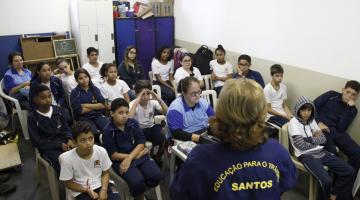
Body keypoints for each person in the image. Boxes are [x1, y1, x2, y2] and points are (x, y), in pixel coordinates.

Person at [170, 79, 297, 199]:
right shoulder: (277, 150)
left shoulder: (201, 157)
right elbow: (285, 184)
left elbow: (180, 193)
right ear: (262, 111)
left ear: (222, 111)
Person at [288, 96, 354, 200]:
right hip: (306, 155)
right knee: (326, 181)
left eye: (309, 110)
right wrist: (314, 138)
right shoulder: (294, 123)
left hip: (320, 151)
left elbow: (323, 139)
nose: (306, 113)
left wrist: (307, 139)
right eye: (303, 110)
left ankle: (334, 194)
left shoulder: (312, 121)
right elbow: (300, 145)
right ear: (298, 110)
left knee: (349, 171)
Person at [102, 98, 162, 200]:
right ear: (112, 113)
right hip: (121, 161)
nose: (125, 115)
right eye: (120, 113)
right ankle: (139, 196)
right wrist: (134, 156)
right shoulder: (107, 131)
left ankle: (139, 192)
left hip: (137, 156)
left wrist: (131, 157)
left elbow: (141, 143)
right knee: (137, 182)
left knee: (156, 175)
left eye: (126, 112)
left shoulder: (133, 123)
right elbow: (113, 155)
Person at [59, 121, 121, 200]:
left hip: (100, 184)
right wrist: (87, 190)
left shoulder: (101, 151)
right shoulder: (66, 158)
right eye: (83, 140)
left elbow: (106, 173)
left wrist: (104, 190)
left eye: (90, 138)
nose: (88, 143)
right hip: (80, 189)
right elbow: (69, 183)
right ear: (75, 142)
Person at [314, 80, 360, 171]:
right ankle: (334, 180)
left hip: (338, 133)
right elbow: (313, 106)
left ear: (356, 96)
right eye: (348, 92)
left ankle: (346, 182)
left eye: (353, 94)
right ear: (343, 90)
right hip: (322, 129)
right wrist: (319, 122)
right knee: (334, 153)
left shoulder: (353, 110)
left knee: (357, 152)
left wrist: (349, 109)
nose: (350, 96)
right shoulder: (331, 95)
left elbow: (341, 127)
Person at [28, 84, 74, 174]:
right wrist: (58, 145)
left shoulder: (58, 110)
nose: (48, 100)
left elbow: (66, 127)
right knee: (63, 162)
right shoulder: (32, 118)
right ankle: (70, 184)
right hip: (48, 148)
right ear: (35, 100)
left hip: (64, 142)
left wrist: (69, 138)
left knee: (81, 154)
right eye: (43, 98)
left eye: (49, 96)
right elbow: (36, 141)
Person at [129, 80, 167, 163]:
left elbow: (166, 112)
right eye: (143, 94)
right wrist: (137, 101)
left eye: (148, 94)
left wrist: (158, 98)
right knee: (140, 145)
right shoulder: (133, 104)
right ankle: (145, 159)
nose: (146, 96)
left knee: (164, 139)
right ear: (136, 94)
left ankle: (157, 157)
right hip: (139, 129)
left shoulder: (152, 102)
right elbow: (129, 119)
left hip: (150, 127)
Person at [167, 76, 215, 142]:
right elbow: (177, 133)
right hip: (187, 139)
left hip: (204, 133)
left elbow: (214, 119)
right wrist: (199, 138)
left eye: (199, 92)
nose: (198, 95)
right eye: (193, 93)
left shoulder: (202, 102)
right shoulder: (176, 108)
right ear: (184, 93)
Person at [70, 68, 109, 139]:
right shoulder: (74, 93)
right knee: (94, 133)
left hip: (97, 115)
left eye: (86, 77)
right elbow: (79, 111)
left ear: (89, 77)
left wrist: (85, 105)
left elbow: (103, 105)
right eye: (81, 78)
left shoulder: (94, 89)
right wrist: (96, 106)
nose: (84, 80)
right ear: (77, 80)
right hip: (83, 118)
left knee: (108, 127)